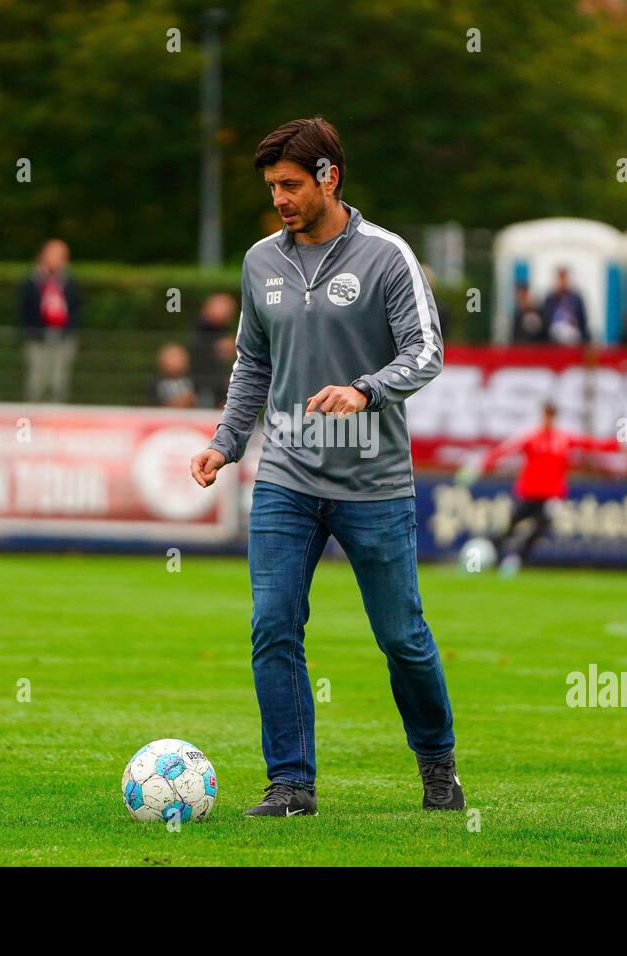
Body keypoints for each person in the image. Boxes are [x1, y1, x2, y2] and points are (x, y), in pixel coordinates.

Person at [189, 117, 461, 817]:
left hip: (374, 487)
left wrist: (366, 387)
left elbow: (426, 353)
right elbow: (253, 361)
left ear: (328, 178)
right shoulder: (260, 263)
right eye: (271, 186)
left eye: (289, 184)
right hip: (285, 477)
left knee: (402, 638)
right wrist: (226, 442)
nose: (278, 197)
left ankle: (437, 764)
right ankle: (291, 784)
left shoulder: (387, 256)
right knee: (273, 625)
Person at [456, 402, 627, 573]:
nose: (548, 419)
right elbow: (504, 451)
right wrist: (478, 467)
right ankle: (487, 556)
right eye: (546, 415)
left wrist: (621, 444)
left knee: (539, 527)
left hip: (551, 495)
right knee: (511, 526)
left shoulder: (563, 438)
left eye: (551, 415)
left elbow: (592, 444)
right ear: (542, 415)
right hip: (529, 492)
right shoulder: (531, 437)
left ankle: (515, 560)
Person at [19, 239, 82, 403]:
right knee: (36, 379)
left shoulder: (69, 282)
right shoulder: (32, 281)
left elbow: (76, 308)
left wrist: (67, 331)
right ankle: (32, 417)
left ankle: (55, 418)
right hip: (37, 337)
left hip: (63, 338)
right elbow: (25, 308)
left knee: (59, 381)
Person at [189, 292, 238, 407]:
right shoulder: (198, 327)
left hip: (218, 385)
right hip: (201, 385)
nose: (226, 312)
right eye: (222, 306)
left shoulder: (224, 329)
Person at [538, 267, 589, 345]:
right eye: (560, 278)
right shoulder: (550, 299)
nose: (562, 281)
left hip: (573, 338)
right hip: (554, 339)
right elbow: (546, 319)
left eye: (564, 278)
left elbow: (582, 320)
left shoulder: (575, 298)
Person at [152, 342, 197, 408]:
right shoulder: (155, 384)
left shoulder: (193, 382)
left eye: (179, 356)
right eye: (172, 356)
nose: (176, 360)